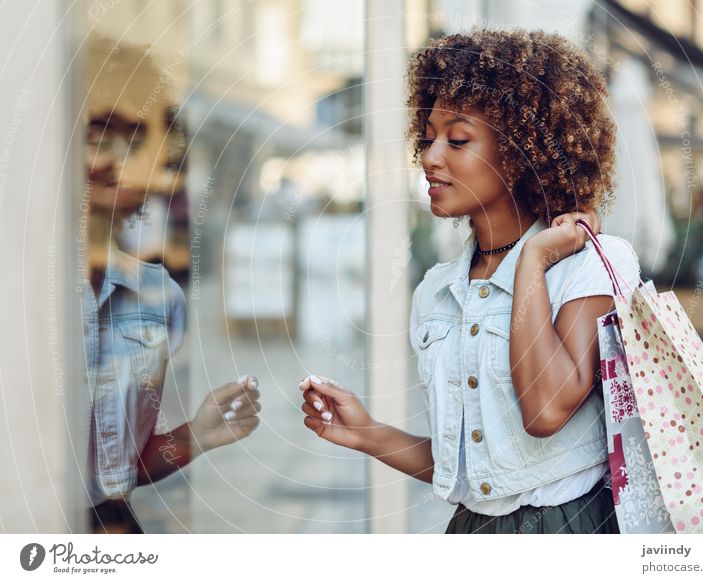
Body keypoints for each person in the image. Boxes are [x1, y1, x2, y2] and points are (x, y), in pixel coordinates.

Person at [299, 29, 640, 533]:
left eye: (457, 140)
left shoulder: (593, 263)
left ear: (524, 152)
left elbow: (546, 410)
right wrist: (368, 433)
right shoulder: (437, 292)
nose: (431, 156)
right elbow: (477, 471)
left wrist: (531, 264)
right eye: (428, 136)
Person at [82, 36, 261, 533]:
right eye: (99, 133)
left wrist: (196, 435)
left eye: (136, 136)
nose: (117, 157)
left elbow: (118, 473)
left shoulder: (159, 298)